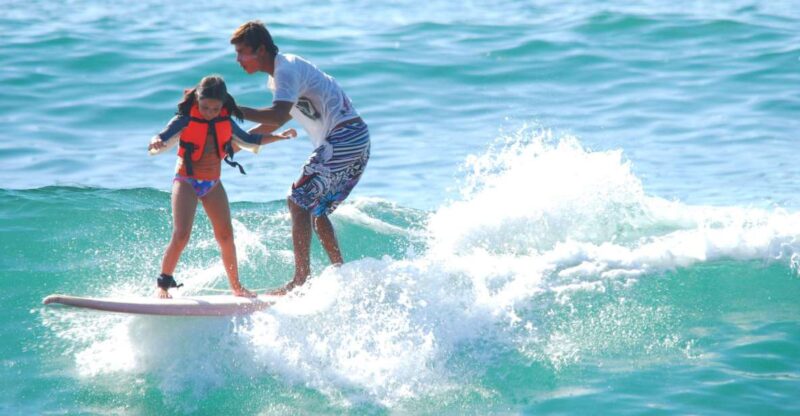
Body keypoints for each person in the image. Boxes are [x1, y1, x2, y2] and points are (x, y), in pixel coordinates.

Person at [230, 21, 371, 295]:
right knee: (316, 210)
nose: (238, 60)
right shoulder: (281, 77)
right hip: (357, 140)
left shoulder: (286, 69)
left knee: (297, 200)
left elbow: (278, 115)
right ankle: (340, 276)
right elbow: (274, 123)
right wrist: (232, 145)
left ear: (260, 50)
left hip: (345, 136)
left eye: (242, 52)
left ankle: (301, 280)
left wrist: (232, 109)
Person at [148, 74, 297, 298]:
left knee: (226, 236)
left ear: (223, 105)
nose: (209, 113)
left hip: (212, 183)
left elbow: (250, 140)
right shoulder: (185, 119)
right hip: (186, 180)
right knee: (181, 235)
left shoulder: (225, 121)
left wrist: (279, 136)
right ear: (197, 100)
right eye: (205, 107)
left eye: (215, 108)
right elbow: (162, 136)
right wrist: (156, 141)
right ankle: (163, 284)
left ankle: (236, 287)